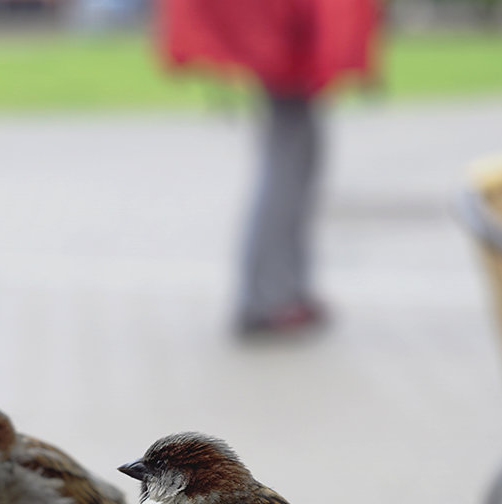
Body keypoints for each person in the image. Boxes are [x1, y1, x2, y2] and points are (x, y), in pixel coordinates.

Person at [155, 0, 379, 336]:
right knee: (288, 160)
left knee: (297, 154)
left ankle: (283, 290)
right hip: (286, 39)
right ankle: (268, 298)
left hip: (284, 37)